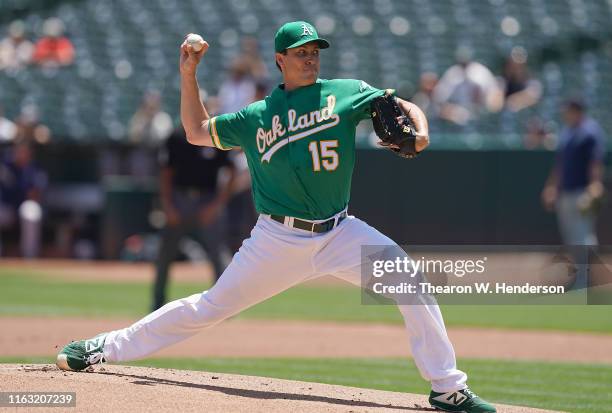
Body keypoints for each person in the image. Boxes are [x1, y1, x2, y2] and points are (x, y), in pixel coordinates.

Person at [56, 21, 496, 413]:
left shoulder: (345, 92)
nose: (310, 59)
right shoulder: (255, 116)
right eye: (301, 53)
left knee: (409, 281)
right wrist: (188, 74)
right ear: (280, 60)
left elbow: (400, 104)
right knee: (209, 307)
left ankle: (447, 389)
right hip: (277, 240)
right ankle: (103, 348)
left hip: (339, 230)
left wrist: (420, 131)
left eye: (315, 52)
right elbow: (194, 132)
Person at [152, 126, 236, 310]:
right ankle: (157, 302)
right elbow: (165, 173)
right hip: (179, 199)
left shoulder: (215, 133)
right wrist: (167, 206)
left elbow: (232, 172)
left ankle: (225, 305)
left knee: (218, 254)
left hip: (208, 199)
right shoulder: (175, 136)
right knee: (165, 254)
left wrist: (216, 206)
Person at [542, 99, 606, 247]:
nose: (565, 114)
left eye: (568, 111)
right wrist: (552, 186)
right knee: (570, 236)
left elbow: (595, 161)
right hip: (565, 191)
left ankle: (586, 269)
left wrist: (595, 184)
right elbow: (560, 163)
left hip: (582, 191)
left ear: (576, 111)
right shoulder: (567, 132)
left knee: (582, 234)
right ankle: (580, 268)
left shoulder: (590, 132)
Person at [433, 46, 502, 126]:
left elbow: (495, 94)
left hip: (481, 113)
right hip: (458, 113)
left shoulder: (481, 72)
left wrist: (489, 108)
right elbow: (439, 99)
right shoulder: (452, 73)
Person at [0, 141, 47, 258]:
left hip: (23, 206)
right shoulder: (6, 166)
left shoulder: (35, 169)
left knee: (31, 212)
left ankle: (29, 256)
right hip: (6, 207)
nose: (21, 154)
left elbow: (36, 195)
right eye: (18, 151)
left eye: (24, 151)